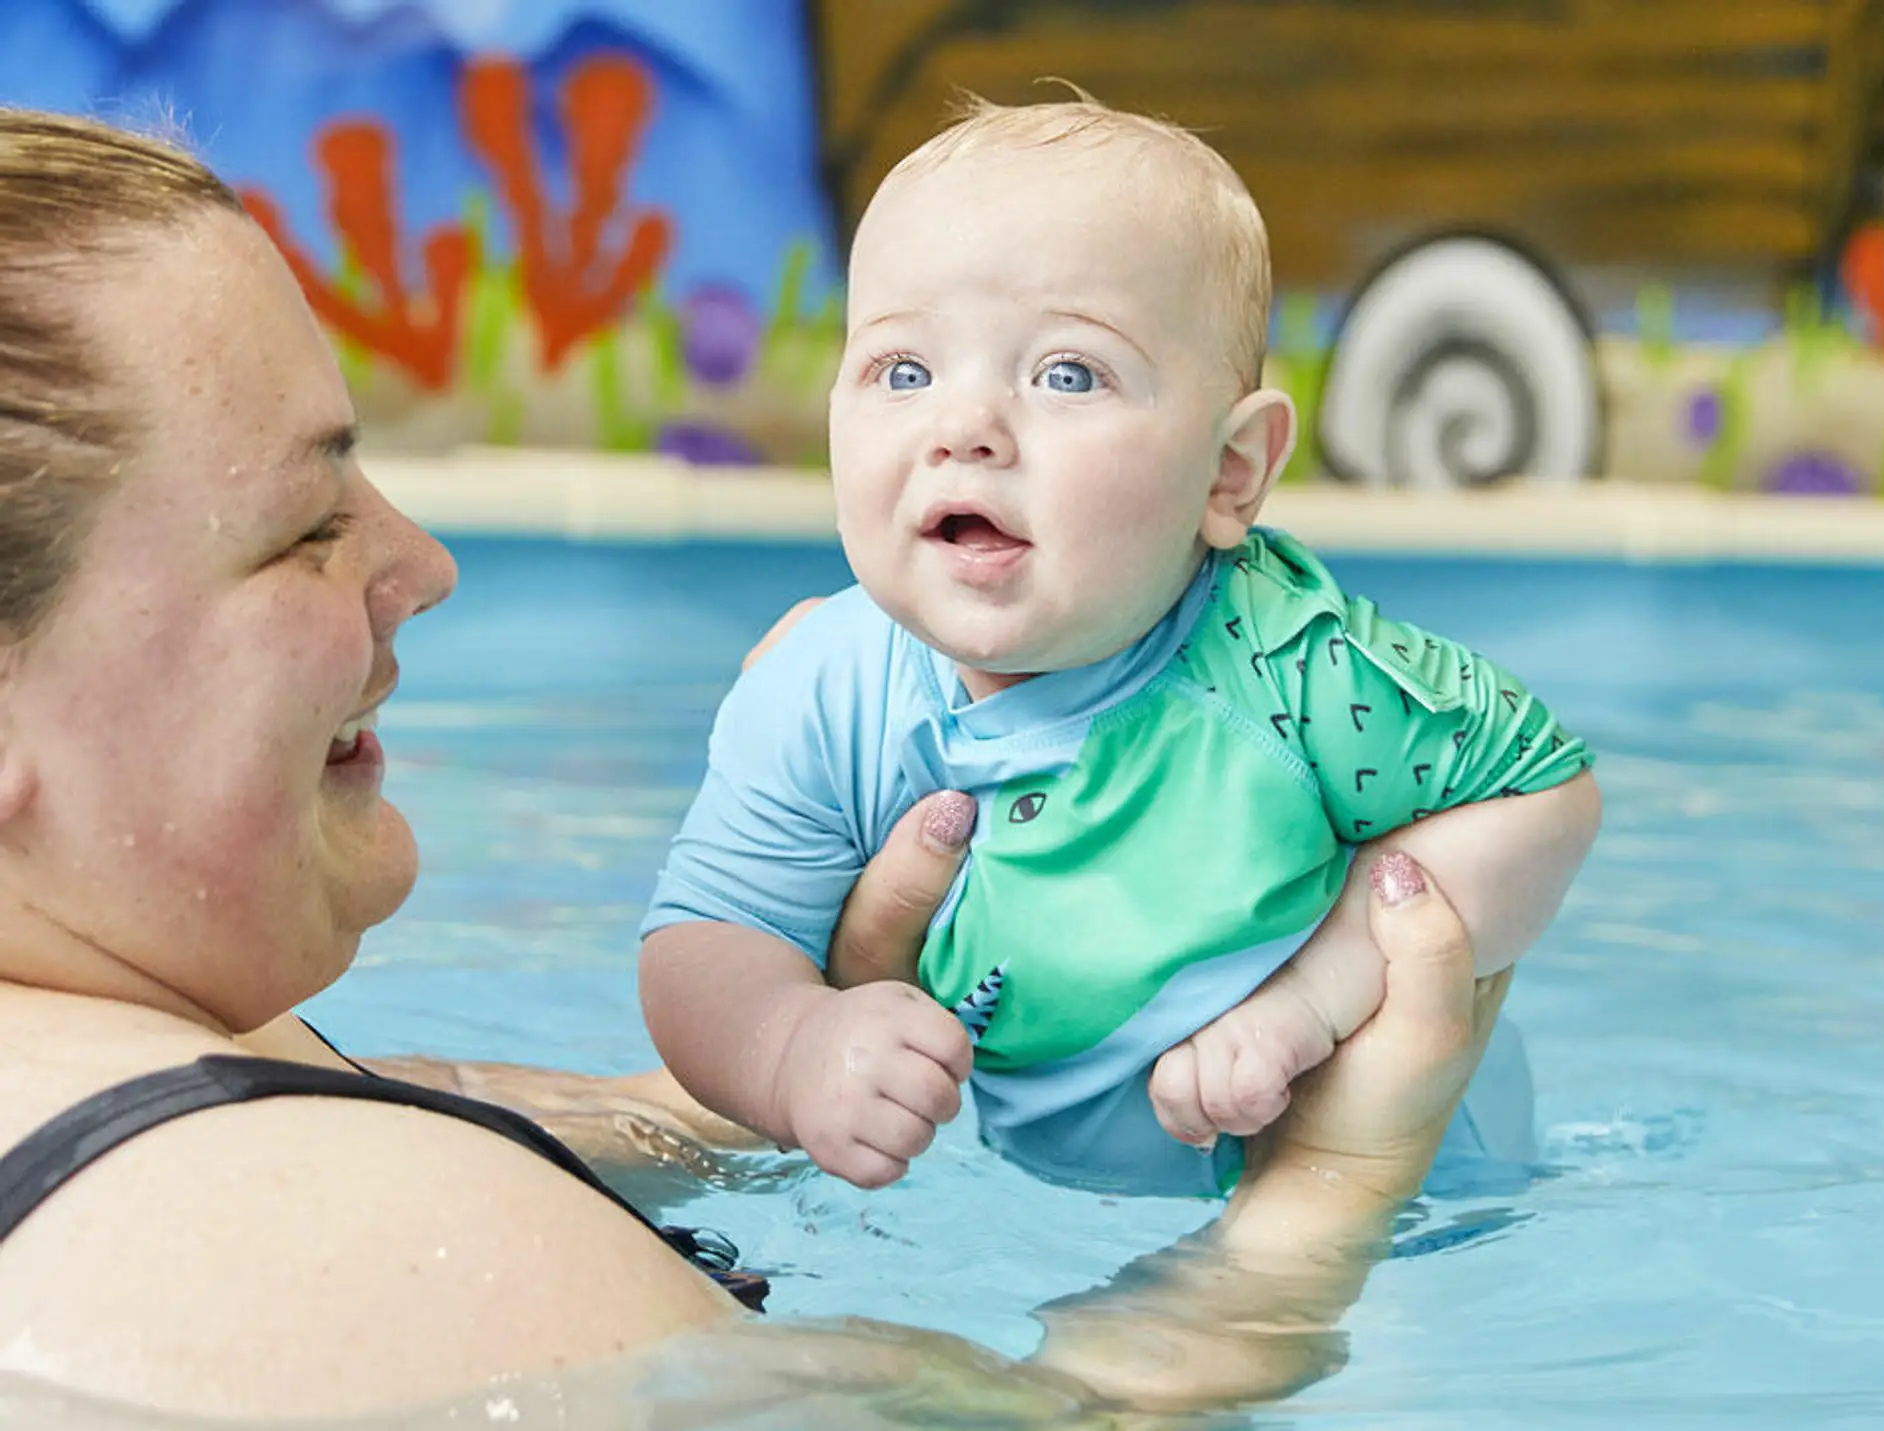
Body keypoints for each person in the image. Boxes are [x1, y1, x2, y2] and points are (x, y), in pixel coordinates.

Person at [0, 107, 1511, 1421]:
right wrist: (1322, 1204)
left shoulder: (142, 1074)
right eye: (304, 530)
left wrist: (775, 1067)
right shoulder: (367, 1254)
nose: (424, 561)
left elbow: (436, 1093)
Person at [639, 97, 1603, 1196]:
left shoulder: (1289, 669)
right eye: (902, 371)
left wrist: (1312, 998)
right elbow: (706, 943)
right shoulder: (820, 693)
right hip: (1061, 1212)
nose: (963, 426)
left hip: (1419, 1197)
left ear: (1228, 473)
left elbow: (1544, 795)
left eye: (1065, 374)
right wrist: (791, 1049)